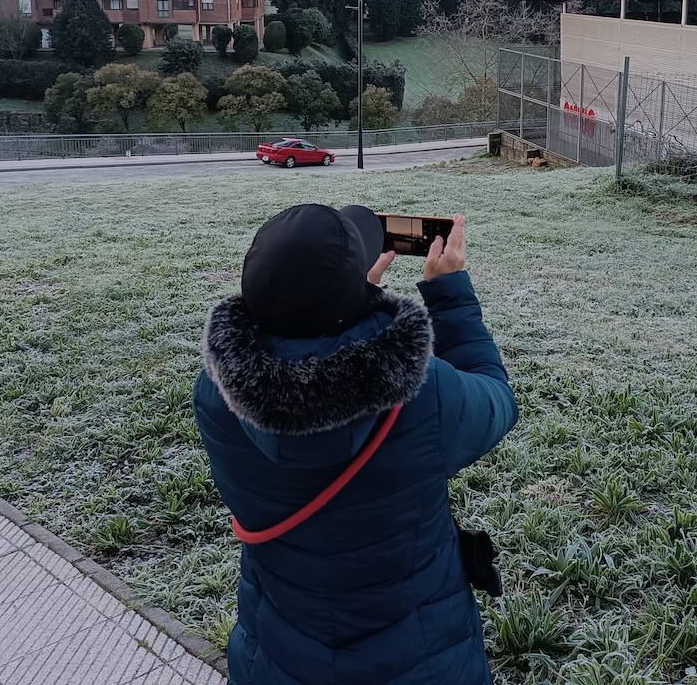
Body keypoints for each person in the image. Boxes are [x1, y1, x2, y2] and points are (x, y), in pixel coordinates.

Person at [196, 204, 518, 684]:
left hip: (280, 653)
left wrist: (340, 305)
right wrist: (448, 295)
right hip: (419, 660)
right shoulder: (420, 394)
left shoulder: (216, 392)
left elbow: (303, 349)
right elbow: (497, 400)